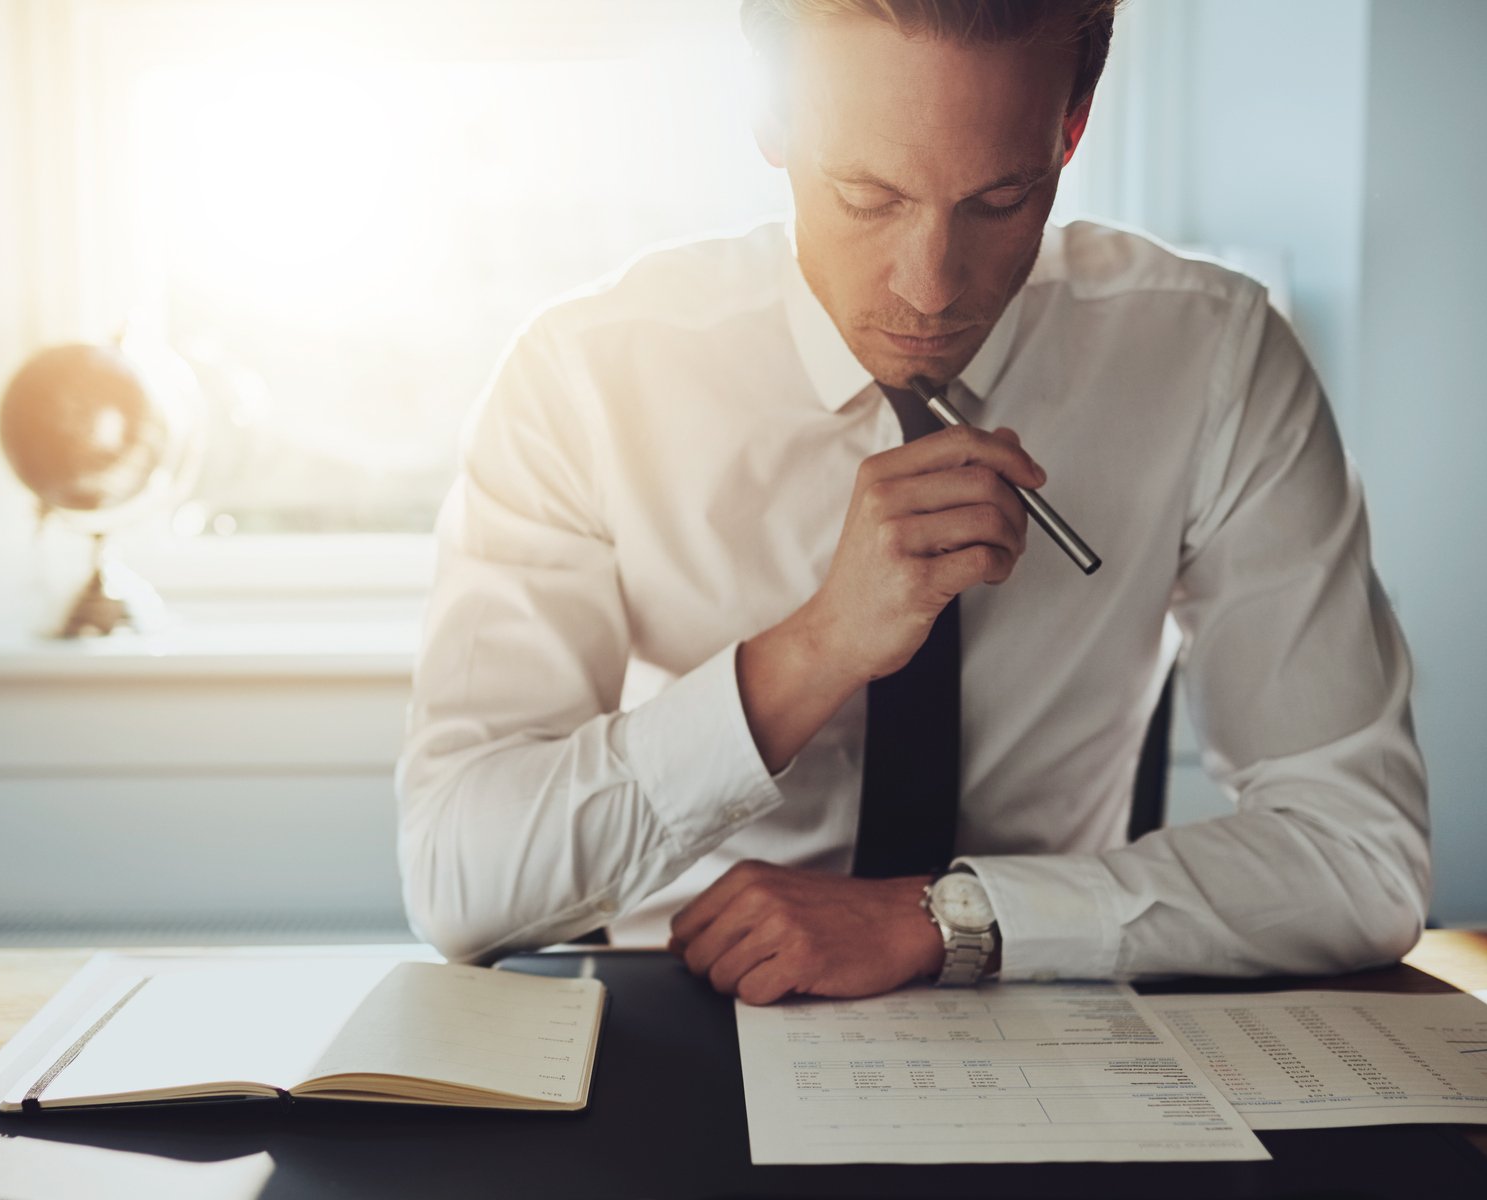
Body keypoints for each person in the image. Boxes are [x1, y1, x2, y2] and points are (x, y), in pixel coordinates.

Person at [395, 0, 1430, 1003]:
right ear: (772, 115)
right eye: (866, 197)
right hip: (688, 1019)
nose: (931, 287)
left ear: (1071, 128)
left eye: (1000, 199)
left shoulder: (1213, 358)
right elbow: (459, 877)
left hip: (1048, 1024)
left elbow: (1360, 856)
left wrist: (949, 919)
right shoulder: (583, 377)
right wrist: (814, 650)